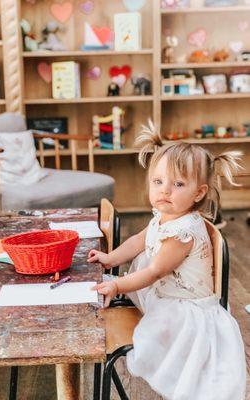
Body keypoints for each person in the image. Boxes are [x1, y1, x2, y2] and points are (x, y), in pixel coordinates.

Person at [87, 121, 246, 400]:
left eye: (178, 184)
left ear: (198, 193)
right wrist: (110, 257)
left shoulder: (183, 233)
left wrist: (119, 285)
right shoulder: (165, 216)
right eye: (158, 182)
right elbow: (138, 240)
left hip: (185, 310)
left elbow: (154, 271)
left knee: (148, 340)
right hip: (166, 291)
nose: (165, 191)